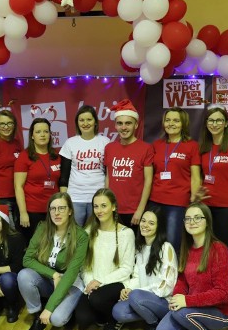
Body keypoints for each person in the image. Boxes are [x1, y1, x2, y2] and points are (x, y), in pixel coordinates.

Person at [155, 202, 228, 330]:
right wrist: (177, 297)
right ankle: (192, 323)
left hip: (222, 311)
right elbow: (182, 280)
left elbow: (223, 294)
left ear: (207, 221)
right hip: (194, 307)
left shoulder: (219, 250)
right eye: (188, 219)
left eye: (197, 218)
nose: (192, 222)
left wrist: (186, 301)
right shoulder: (187, 248)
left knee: (180, 312)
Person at [17, 192, 88, 330]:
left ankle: (65, 308)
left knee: (57, 319)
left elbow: (71, 274)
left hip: (71, 282)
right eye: (53, 209)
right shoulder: (42, 228)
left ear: (70, 211)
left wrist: (49, 309)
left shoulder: (81, 236)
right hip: (50, 278)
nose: (57, 213)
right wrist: (54, 274)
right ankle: (38, 316)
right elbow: (27, 259)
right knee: (24, 275)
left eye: (61, 208)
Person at [112, 207, 178, 330]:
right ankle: (149, 315)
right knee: (118, 311)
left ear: (159, 227)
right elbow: (137, 276)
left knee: (136, 296)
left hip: (163, 301)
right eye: (143, 221)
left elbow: (166, 287)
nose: (145, 225)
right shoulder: (140, 247)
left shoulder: (166, 248)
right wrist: (129, 288)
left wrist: (137, 293)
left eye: (151, 223)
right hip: (142, 298)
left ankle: (153, 324)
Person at [74, 188, 135, 330]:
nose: (99, 210)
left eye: (104, 206)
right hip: (93, 286)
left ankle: (115, 319)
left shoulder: (126, 233)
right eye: (96, 206)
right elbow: (84, 266)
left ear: (113, 207)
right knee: (83, 320)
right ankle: (103, 312)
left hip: (116, 283)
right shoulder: (89, 231)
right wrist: (90, 283)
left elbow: (127, 269)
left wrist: (100, 281)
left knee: (97, 299)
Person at [149, 107, 201, 250]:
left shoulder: (192, 146)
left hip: (177, 203)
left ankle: (172, 272)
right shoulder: (156, 145)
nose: (171, 124)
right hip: (154, 201)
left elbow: (196, 177)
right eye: (168, 120)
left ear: (183, 124)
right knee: (153, 241)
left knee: (172, 243)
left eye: (176, 121)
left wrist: (194, 202)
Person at [198, 105, 228, 246]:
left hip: (227, 207)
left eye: (219, 120)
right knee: (203, 248)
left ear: (226, 123)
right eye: (211, 120)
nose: (214, 124)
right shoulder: (203, 146)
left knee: (221, 249)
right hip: (205, 206)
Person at [104, 99, 153, 232]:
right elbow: (108, 178)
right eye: (120, 123)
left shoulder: (146, 148)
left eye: (128, 123)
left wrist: (140, 210)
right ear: (115, 125)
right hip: (113, 210)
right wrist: (107, 206)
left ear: (136, 125)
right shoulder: (109, 148)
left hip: (134, 212)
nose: (124, 127)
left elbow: (148, 181)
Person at [59, 105, 111, 226]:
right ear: (77, 123)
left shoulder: (105, 142)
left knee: (95, 235)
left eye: (89, 119)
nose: (85, 123)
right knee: (75, 236)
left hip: (98, 198)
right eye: (81, 120)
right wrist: (64, 199)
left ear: (95, 122)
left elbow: (109, 173)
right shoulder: (70, 143)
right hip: (75, 198)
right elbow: (64, 176)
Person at [14, 117, 61, 242]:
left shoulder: (57, 156)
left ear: (50, 135)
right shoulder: (24, 156)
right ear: (32, 135)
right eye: (38, 132)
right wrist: (23, 213)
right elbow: (18, 187)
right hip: (32, 212)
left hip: (53, 211)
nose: (42, 135)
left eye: (46, 131)